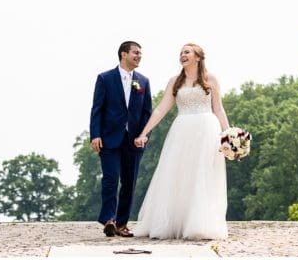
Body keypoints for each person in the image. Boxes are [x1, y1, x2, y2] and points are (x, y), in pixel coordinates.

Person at [132, 44, 229, 240]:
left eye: (187, 52)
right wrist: (144, 133)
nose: (182, 55)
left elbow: (218, 109)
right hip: (182, 130)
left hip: (207, 129)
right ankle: (175, 222)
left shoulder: (211, 79)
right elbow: (160, 109)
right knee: (178, 174)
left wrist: (228, 136)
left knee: (203, 176)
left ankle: (199, 224)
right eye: (181, 53)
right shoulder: (175, 81)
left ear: (198, 57)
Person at [90, 40, 152, 238]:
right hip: (109, 138)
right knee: (110, 178)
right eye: (136, 52)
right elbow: (97, 109)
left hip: (133, 141)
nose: (139, 56)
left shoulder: (143, 81)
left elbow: (146, 112)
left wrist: (144, 135)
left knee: (129, 182)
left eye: (140, 53)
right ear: (123, 54)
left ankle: (122, 224)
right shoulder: (105, 78)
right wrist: (95, 135)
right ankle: (109, 219)